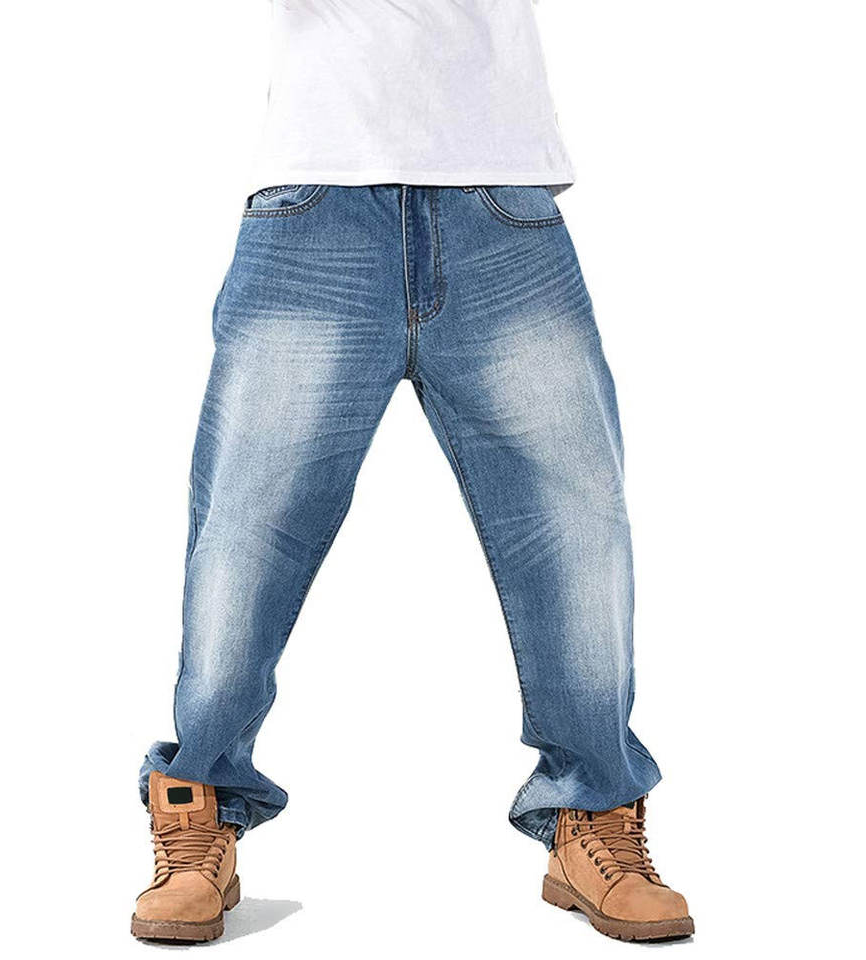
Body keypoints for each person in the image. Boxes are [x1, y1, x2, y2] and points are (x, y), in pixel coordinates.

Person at [130, 0, 692, 944]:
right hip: (314, 198)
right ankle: (199, 806)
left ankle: (594, 810)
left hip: (500, 200)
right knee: (248, 526)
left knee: (576, 524)